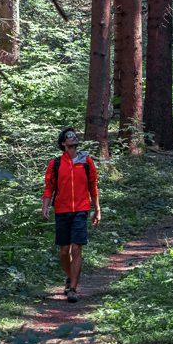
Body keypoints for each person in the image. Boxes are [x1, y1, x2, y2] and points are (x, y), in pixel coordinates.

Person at [42, 128, 100, 303]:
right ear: (63, 143)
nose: (73, 137)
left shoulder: (86, 161)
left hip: (81, 210)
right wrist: (45, 207)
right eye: (69, 136)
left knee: (76, 248)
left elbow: (93, 186)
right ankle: (70, 276)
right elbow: (49, 187)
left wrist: (97, 209)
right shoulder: (56, 163)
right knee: (63, 251)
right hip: (62, 210)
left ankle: (73, 288)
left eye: (74, 135)